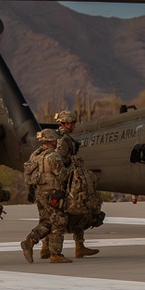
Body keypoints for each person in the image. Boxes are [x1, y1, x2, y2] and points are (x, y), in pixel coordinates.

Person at [20, 128, 74, 263]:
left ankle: (30, 241)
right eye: (55, 139)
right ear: (50, 141)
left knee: (46, 221)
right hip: (53, 193)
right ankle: (55, 254)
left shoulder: (35, 155)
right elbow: (63, 175)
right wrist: (72, 168)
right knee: (59, 220)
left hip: (39, 193)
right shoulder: (53, 156)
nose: (57, 142)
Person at [54, 110, 99, 258]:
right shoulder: (63, 140)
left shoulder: (57, 137)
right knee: (77, 211)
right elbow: (60, 160)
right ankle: (78, 246)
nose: (74, 125)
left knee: (56, 215)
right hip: (66, 182)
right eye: (72, 123)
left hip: (65, 181)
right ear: (66, 123)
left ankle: (47, 248)